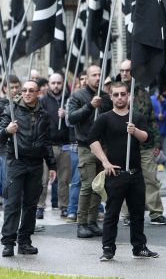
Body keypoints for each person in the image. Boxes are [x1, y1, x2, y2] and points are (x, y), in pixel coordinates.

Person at [88, 81, 158, 261]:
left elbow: (147, 138)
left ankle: (139, 247)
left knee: (137, 213)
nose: (120, 97)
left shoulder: (137, 116)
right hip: (115, 173)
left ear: (129, 96)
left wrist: (134, 131)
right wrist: (105, 162)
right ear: (111, 96)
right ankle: (108, 248)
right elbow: (92, 140)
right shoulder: (104, 118)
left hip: (135, 173)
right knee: (111, 214)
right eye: (116, 94)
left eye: (123, 94)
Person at [0, 80, 56, 257]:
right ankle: (8, 243)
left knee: (30, 206)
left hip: (36, 163)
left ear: (38, 93)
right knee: (13, 204)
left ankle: (25, 241)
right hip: (16, 161)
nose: (27, 93)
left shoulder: (43, 115)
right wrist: (7, 130)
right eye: (24, 90)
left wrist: (52, 164)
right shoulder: (11, 109)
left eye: (31, 90)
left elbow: (46, 141)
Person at [117, 60, 166, 225]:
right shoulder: (116, 92)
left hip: (145, 144)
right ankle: (127, 215)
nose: (125, 73)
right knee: (125, 180)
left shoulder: (142, 92)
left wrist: (156, 143)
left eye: (128, 70)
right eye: (122, 70)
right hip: (124, 145)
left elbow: (151, 120)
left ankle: (155, 213)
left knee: (151, 179)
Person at [67, 65, 113, 238]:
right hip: (86, 147)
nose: (97, 77)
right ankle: (82, 223)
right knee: (86, 186)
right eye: (94, 74)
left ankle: (92, 221)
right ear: (87, 77)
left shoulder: (106, 97)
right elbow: (71, 117)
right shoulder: (78, 95)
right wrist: (90, 106)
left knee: (98, 186)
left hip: (103, 147)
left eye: (100, 74)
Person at [38, 73, 71, 219]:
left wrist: (66, 115)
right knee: (43, 180)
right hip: (48, 145)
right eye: (53, 83)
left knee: (64, 180)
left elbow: (75, 119)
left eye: (59, 83)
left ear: (63, 83)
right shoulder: (43, 100)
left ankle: (64, 206)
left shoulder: (69, 99)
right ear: (49, 84)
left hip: (64, 145)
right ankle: (40, 207)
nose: (56, 86)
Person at [0, 75, 21, 208]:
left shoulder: (23, 104)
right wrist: (7, 129)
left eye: (17, 87)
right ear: (5, 88)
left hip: (21, 148)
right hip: (6, 149)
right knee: (6, 180)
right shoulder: (0, 105)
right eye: (11, 87)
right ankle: (8, 205)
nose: (14, 90)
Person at [151, 85, 166, 186]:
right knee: (152, 157)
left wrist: (163, 101)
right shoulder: (152, 98)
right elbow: (149, 113)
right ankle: (153, 178)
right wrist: (157, 116)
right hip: (154, 133)